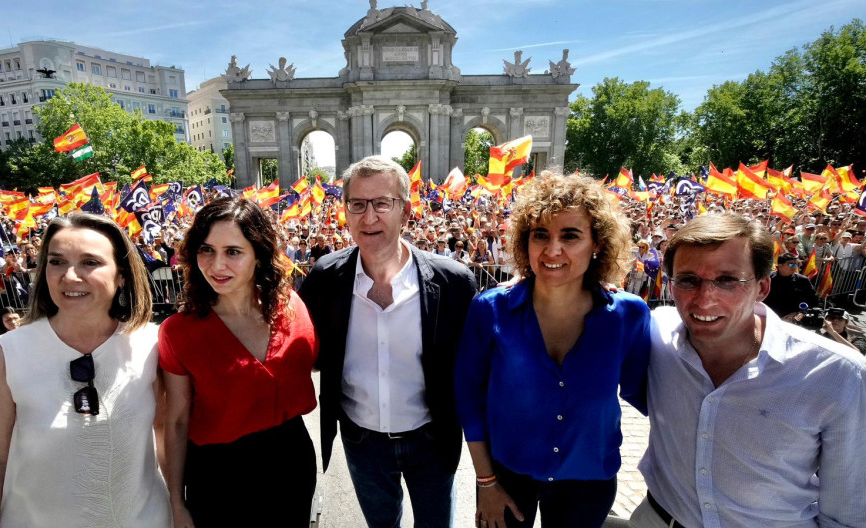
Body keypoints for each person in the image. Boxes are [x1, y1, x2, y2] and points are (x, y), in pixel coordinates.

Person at [632, 213, 866, 528]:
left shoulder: (839, 375)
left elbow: (848, 512)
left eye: (727, 281)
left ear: (762, 287)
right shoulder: (656, 333)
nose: (705, 299)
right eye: (688, 280)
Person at [455, 173, 650, 528]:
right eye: (540, 235)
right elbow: (469, 401)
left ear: (597, 245)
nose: (552, 249)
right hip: (506, 478)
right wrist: (486, 483)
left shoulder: (628, 315)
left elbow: (654, 395)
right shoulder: (489, 309)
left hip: (589, 484)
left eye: (570, 235)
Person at [299, 155, 478, 528]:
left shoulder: (454, 282)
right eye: (358, 205)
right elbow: (306, 350)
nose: (369, 217)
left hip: (432, 439)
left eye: (382, 203)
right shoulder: (325, 277)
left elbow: (477, 365)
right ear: (345, 212)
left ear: (406, 212)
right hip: (362, 443)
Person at [0, 213, 171, 528]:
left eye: (90, 262)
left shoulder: (155, 344)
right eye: (57, 262)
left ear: (122, 274)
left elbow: (165, 436)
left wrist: (181, 507)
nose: (70, 276)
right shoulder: (6, 354)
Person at [160, 197, 318, 528]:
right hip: (219, 476)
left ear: (259, 255)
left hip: (291, 461)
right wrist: (175, 501)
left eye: (233, 251)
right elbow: (175, 421)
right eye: (207, 250)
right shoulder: (178, 332)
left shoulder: (291, 306)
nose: (217, 266)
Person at [764, 253, 818, 319]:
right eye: (791, 264)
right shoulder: (768, 279)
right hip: (768, 318)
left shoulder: (802, 281)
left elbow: (813, 300)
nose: (794, 267)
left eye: (796, 264)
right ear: (780, 266)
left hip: (792, 319)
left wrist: (800, 312)